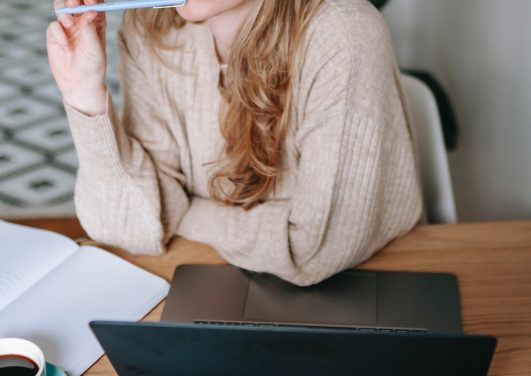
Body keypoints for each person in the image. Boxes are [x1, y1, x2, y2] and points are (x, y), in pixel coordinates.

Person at [46, 0, 423, 286]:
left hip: (369, 281)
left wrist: (181, 212)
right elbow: (128, 227)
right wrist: (85, 95)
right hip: (212, 277)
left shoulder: (345, 33)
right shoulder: (152, 26)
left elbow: (314, 250)